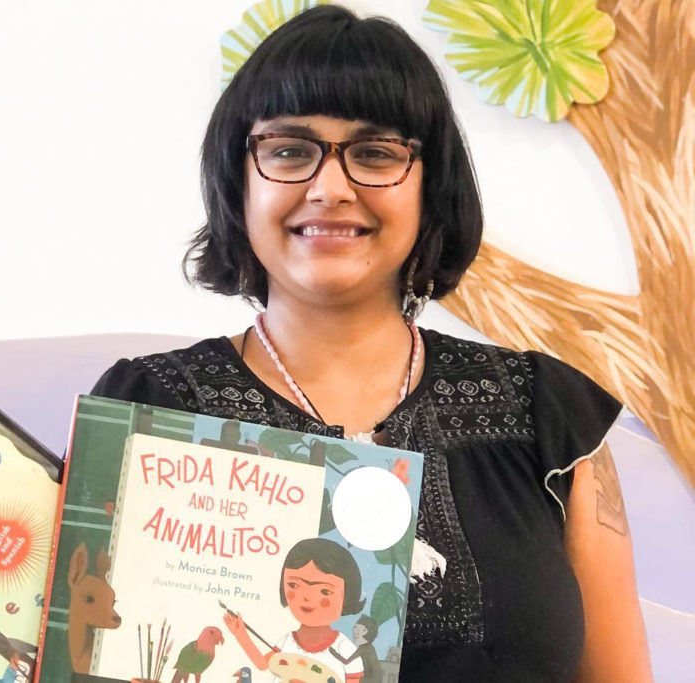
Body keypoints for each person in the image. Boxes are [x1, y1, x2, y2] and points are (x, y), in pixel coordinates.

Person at [91, 5, 652, 681]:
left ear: (430, 185)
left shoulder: (547, 415)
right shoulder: (145, 410)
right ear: (237, 179)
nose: (330, 188)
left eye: (376, 153)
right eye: (289, 150)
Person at [224, 538, 366, 681]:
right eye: (294, 585)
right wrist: (241, 634)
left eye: (324, 591)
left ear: (347, 596)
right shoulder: (288, 642)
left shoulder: (344, 648)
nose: (307, 597)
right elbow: (262, 664)